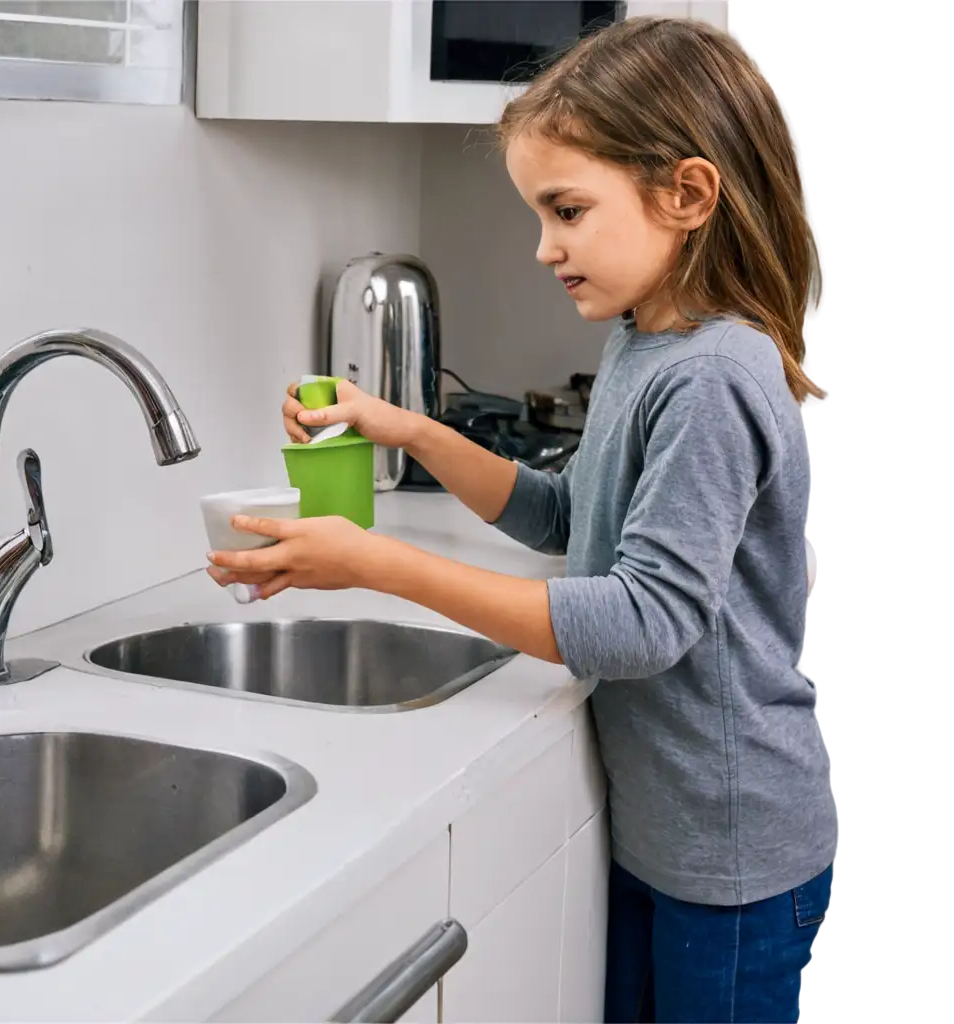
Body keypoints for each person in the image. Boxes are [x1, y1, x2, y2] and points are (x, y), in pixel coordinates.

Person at [207, 16, 836, 1023]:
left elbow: (640, 624)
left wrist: (377, 563)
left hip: (732, 859)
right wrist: (407, 428)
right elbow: (560, 513)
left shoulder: (713, 378)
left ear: (686, 195)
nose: (544, 247)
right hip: (672, 838)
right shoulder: (647, 343)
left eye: (567, 209)